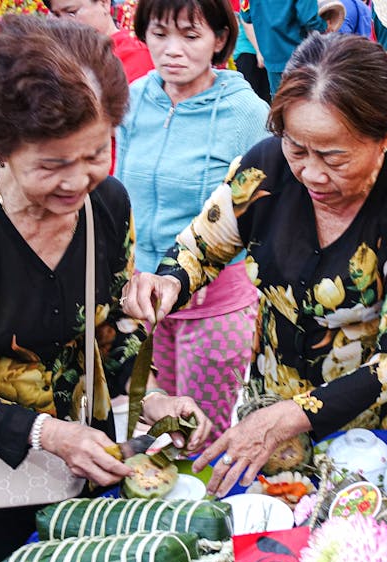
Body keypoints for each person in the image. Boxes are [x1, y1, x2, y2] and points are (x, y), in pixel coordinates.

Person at [0, 16, 214, 562]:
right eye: (50, 165)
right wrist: (48, 436)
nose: (77, 180)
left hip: (84, 453)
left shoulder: (108, 206)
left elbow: (107, 330)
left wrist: (152, 402)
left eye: (96, 153)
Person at [122, 33, 387, 496]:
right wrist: (169, 283)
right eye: (298, 149)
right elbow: (198, 248)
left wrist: (293, 415)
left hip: (374, 425)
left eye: (334, 156)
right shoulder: (266, 169)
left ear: (385, 137)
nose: (312, 174)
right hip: (272, 398)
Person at [116, 0, 268, 445]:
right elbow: (116, 189)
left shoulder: (246, 113)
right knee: (152, 431)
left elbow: (264, 208)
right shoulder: (134, 98)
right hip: (143, 301)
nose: (172, 51)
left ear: (220, 39)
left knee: (201, 436)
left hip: (215, 308)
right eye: (160, 34)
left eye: (190, 35)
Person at [46, 0, 155, 83]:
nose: (62, 23)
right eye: (56, 15)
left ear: (104, 3)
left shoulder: (137, 56)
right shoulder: (59, 56)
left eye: (71, 12)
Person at [238, 0, 328, 95]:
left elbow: (246, 16)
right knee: (304, 100)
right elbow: (309, 18)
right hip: (299, 55)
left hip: (271, 57)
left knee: (279, 102)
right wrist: (325, 25)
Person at [230, 0, 269, 103]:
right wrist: (259, 51)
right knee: (248, 99)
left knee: (266, 100)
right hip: (249, 51)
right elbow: (247, 22)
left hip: (268, 52)